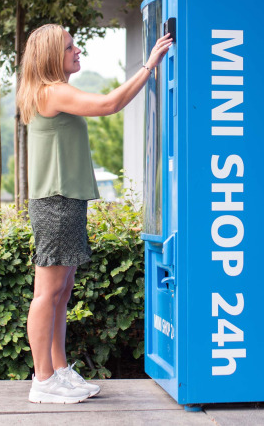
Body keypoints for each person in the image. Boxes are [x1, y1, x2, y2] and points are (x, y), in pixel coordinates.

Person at [15, 23, 172, 404]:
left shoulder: (50, 92)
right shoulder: (53, 92)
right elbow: (109, 105)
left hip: (65, 200)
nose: (78, 50)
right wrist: (149, 65)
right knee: (47, 293)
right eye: (70, 47)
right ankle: (42, 380)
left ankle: (59, 371)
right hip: (55, 201)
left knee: (61, 292)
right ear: (54, 55)